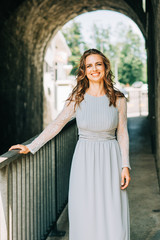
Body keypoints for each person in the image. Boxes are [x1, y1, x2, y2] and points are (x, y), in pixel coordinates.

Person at [9, 48, 131, 240]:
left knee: (112, 209)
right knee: (85, 210)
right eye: (89, 65)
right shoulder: (78, 98)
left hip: (110, 158)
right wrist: (31, 146)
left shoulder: (118, 99)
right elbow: (57, 124)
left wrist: (125, 165)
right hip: (84, 160)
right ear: (84, 70)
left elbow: (122, 132)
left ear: (105, 67)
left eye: (98, 64)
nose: (94, 69)